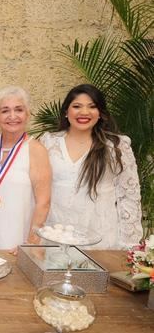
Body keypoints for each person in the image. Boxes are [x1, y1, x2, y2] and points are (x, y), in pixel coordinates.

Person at [40, 84, 143, 249]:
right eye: (77, 106)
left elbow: (129, 196)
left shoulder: (116, 146)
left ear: (101, 113)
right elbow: (37, 192)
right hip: (55, 236)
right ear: (66, 112)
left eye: (92, 106)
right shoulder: (48, 142)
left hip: (101, 240)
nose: (84, 112)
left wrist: (130, 244)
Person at [0, 86, 51, 252]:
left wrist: (30, 243)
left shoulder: (35, 149)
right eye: (5, 110)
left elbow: (43, 202)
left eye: (19, 110)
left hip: (18, 238)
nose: (12, 116)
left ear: (27, 114)